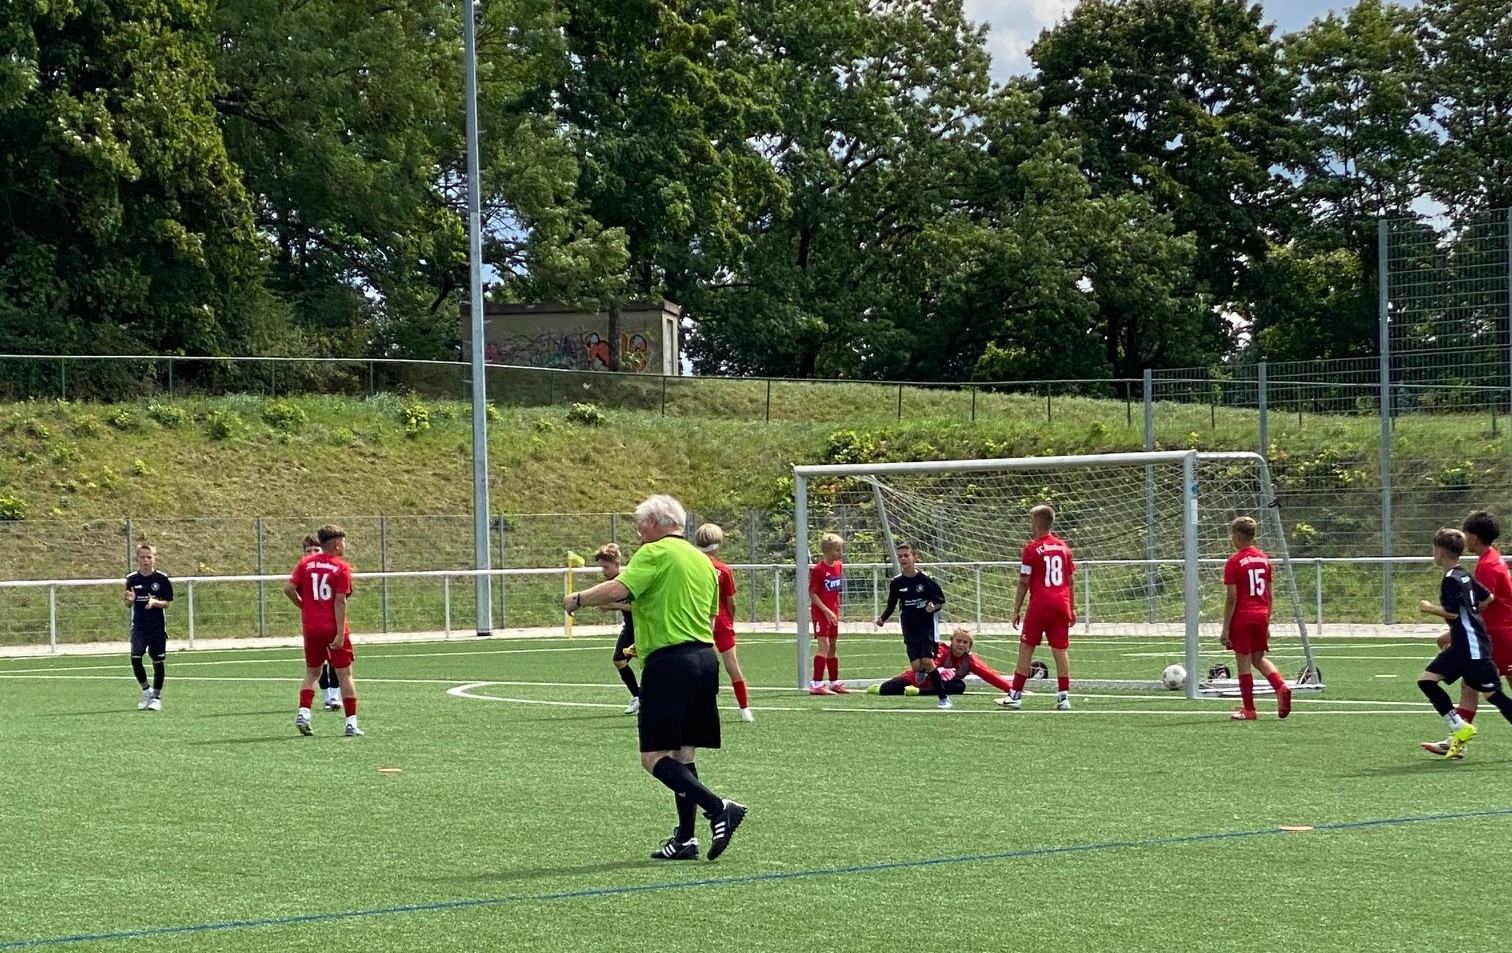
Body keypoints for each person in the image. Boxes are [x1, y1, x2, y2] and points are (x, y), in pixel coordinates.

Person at [565, 495, 747, 862]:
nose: (638, 531)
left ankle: (719, 807)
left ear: (653, 523)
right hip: (704, 658)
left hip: (670, 663)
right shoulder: (702, 560)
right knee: (683, 753)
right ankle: (685, 839)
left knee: (653, 757)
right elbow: (707, 613)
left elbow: (619, 588)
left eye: (640, 524)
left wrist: (578, 599)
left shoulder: (654, 552)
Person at [1415, 527, 1512, 759]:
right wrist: (1472, 613)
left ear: (1439, 552)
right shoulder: (1464, 574)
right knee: (1426, 681)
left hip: (1473, 648)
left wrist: (1428, 608)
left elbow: (1453, 613)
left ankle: (1459, 730)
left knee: (1493, 695)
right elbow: (1487, 597)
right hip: (1462, 645)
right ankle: (1459, 727)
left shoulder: (1451, 580)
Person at [284, 524, 362, 737]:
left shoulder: (305, 564)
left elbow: (288, 588)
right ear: (337, 544)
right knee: (345, 674)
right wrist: (339, 633)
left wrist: (303, 606)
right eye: (343, 542)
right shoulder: (342, 567)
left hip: (311, 627)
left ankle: (304, 713)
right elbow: (340, 601)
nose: (344, 545)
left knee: (312, 672)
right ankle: (351, 723)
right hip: (333, 627)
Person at [1001, 505, 1075, 711]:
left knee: (1026, 647)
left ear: (1036, 524)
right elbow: (1070, 580)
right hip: (1061, 604)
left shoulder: (1031, 549)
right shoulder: (1064, 548)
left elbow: (1024, 581)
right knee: (1060, 650)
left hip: (1040, 604)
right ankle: (1063, 697)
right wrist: (1072, 608)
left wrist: (1016, 610)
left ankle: (1015, 695)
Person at [1220, 516, 1293, 721]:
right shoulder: (1264, 559)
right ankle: (1281, 687)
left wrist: (1226, 628)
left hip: (1243, 617)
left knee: (1243, 663)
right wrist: (1267, 621)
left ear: (1237, 536)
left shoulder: (1234, 562)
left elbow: (1232, 598)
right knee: (1258, 658)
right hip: (1261, 615)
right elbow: (1269, 594)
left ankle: (1249, 709)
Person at [874, 542, 951, 709]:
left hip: (926, 627)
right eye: (900, 556)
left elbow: (940, 600)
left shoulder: (925, 580)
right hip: (909, 627)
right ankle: (922, 672)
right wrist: (882, 619)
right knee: (917, 666)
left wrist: (933, 607)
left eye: (906, 555)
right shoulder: (896, 583)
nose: (903, 559)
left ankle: (944, 698)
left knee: (928, 661)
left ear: (915, 557)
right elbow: (891, 605)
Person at [694, 523, 755, 723]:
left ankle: (696, 708)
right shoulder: (723, 570)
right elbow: (731, 601)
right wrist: (730, 620)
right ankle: (744, 709)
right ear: (718, 544)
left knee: (697, 665)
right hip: (721, 621)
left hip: (698, 621)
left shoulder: (692, 566)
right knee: (732, 665)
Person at [869, 627, 1014, 697]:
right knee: (887, 689)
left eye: (965, 642)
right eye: (958, 641)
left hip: (935, 687)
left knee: (959, 686)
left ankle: (918, 692)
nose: (961, 645)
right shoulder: (943, 650)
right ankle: (879, 687)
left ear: (969, 645)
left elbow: (990, 675)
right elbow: (932, 663)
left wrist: (1011, 689)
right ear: (952, 641)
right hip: (916, 679)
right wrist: (939, 670)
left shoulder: (969, 660)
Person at [594, 543, 642, 715]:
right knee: (620, 660)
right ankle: (639, 696)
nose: (603, 571)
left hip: (640, 626)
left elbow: (639, 608)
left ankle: (640, 696)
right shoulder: (612, 582)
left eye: (606, 567)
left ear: (617, 564)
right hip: (630, 627)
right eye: (602, 567)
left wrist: (612, 605)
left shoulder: (626, 581)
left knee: (624, 660)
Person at [125, 542, 173, 711]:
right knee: (135, 658)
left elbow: (167, 603)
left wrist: (155, 603)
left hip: (157, 628)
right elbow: (127, 602)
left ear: (154, 558)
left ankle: (156, 697)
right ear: (137, 559)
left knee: (157, 661)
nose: (145, 560)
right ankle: (146, 690)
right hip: (139, 627)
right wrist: (130, 601)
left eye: (149, 557)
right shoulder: (132, 579)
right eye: (142, 557)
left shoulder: (162, 579)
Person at [302, 535, 342, 712]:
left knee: (334, 659)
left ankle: (334, 696)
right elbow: (291, 589)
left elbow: (341, 596)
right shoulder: (303, 570)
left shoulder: (334, 568)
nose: (312, 553)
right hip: (313, 624)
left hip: (332, 622)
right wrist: (304, 606)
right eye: (308, 551)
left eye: (316, 550)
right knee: (319, 663)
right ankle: (327, 697)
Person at [808, 533, 846, 695]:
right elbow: (812, 593)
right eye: (837, 550)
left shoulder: (838, 566)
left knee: (833, 646)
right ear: (827, 551)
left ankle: (834, 682)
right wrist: (826, 610)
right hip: (821, 614)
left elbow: (835, 592)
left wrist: (836, 609)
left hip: (833, 613)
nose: (840, 553)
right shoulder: (819, 570)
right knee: (824, 645)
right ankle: (816, 684)